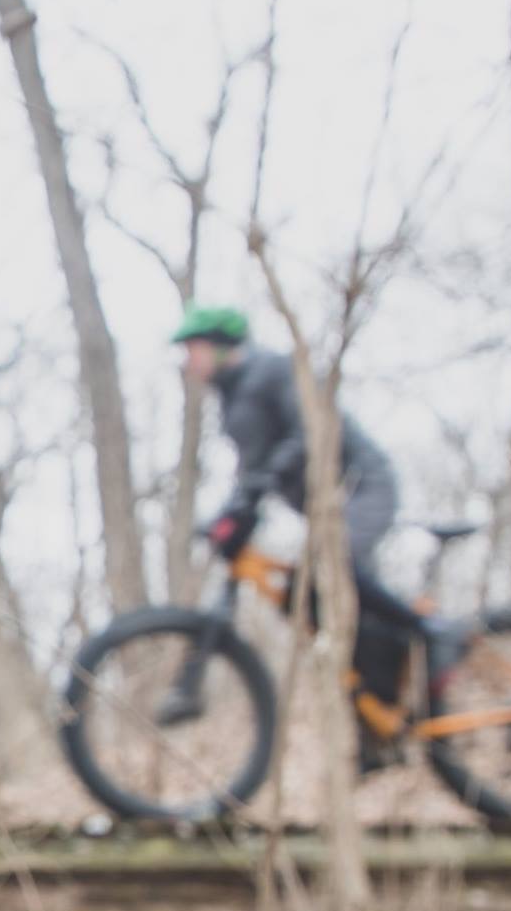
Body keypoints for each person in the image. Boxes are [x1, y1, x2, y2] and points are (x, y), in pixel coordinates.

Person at [167, 305, 468, 763]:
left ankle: (432, 632)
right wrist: (231, 516)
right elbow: (252, 472)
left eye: (194, 349)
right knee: (318, 608)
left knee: (333, 566)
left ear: (222, 346)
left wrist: (262, 483)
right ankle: (377, 727)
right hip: (325, 508)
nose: (188, 361)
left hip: (363, 484)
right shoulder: (230, 402)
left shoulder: (271, 371)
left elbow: (312, 429)